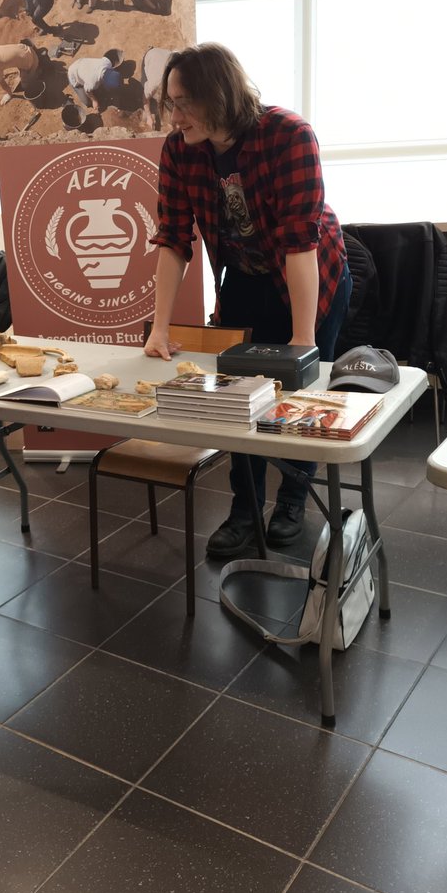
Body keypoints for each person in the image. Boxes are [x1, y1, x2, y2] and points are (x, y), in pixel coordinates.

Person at [144, 43, 351, 558]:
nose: (176, 115)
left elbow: (299, 244)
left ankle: (293, 500)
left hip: (309, 276)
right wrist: (159, 327)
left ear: (219, 95)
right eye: (171, 102)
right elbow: (172, 240)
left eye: (184, 102)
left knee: (298, 397)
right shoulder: (179, 148)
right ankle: (245, 508)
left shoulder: (288, 135)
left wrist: (301, 340)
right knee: (237, 397)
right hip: (245, 276)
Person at [0, 39, 41, 104]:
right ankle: (31, 69)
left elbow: (3, 84)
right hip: (26, 48)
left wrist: (9, 94)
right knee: (17, 60)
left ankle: (37, 71)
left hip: (32, 61)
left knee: (25, 85)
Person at [141, 47, 175, 130]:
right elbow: (145, 99)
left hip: (167, 54)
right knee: (142, 85)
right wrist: (149, 117)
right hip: (151, 54)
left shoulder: (176, 82)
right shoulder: (152, 86)